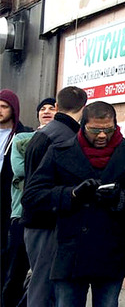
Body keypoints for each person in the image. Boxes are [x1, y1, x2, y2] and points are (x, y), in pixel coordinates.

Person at [22, 100, 125, 307]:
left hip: (111, 249)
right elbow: (32, 195)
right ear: (83, 125)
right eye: (95, 130)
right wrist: (72, 194)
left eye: (108, 130)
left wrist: (122, 197)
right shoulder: (60, 151)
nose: (102, 135)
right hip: (70, 251)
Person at [22, 87, 87, 307]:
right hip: (50, 223)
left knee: (41, 285)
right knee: (44, 288)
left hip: (36, 221)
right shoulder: (68, 137)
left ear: (57, 106)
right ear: (84, 108)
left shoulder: (44, 133)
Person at [4, 98, 56, 306]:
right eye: (42, 109)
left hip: (52, 216)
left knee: (46, 277)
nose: (46, 111)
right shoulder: (22, 138)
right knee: (15, 271)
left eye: (52, 108)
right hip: (22, 214)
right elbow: (20, 170)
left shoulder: (67, 139)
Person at [0, 89, 32, 296]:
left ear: (14, 109)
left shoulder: (23, 135)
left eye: (3, 107)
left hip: (9, 203)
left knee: (8, 257)